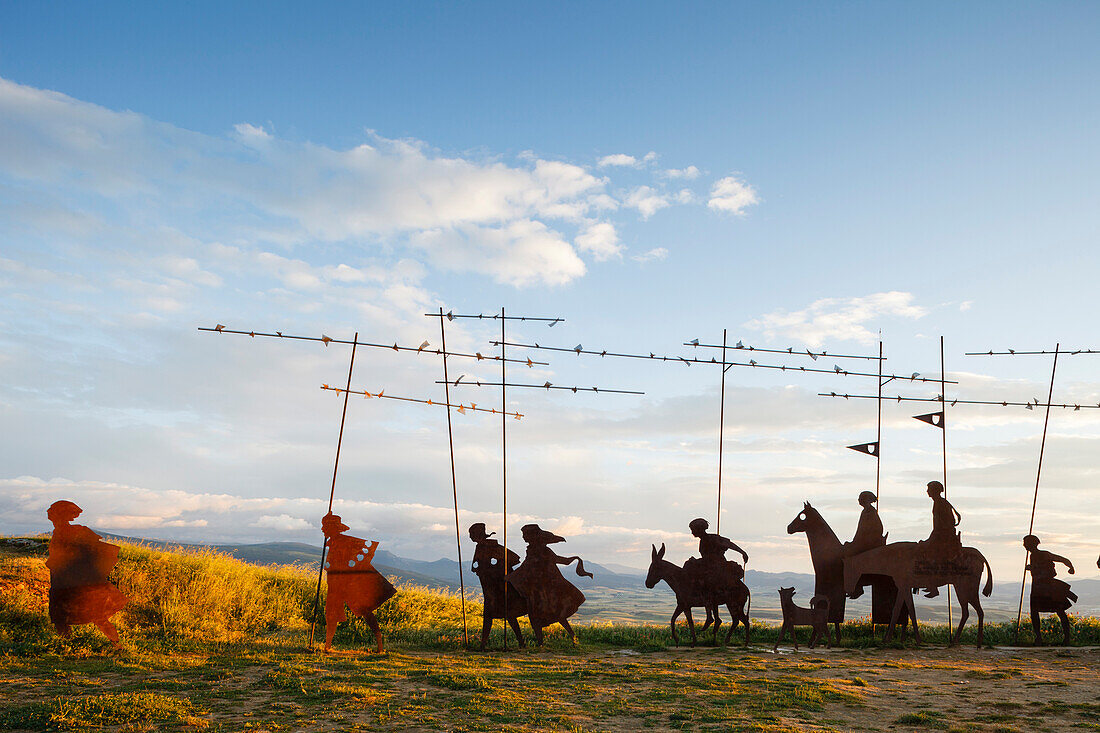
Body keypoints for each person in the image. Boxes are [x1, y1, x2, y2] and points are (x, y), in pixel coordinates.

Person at [45, 500, 129, 648]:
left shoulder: (76, 531)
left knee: (96, 615)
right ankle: (67, 646)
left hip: (76, 581)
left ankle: (117, 645)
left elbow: (93, 550)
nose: (51, 518)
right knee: (60, 617)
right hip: (62, 581)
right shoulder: (60, 532)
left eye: (53, 515)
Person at [321, 512, 396, 653]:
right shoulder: (332, 543)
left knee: (365, 611)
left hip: (347, 582)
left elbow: (368, 548)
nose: (323, 530)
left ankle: (380, 647)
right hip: (335, 583)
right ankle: (327, 646)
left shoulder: (345, 541)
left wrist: (351, 566)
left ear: (333, 528)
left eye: (325, 527)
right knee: (331, 613)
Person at [506, 524, 592, 645]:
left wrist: (510, 577)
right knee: (550, 615)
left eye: (525, 534)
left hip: (542, 589)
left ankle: (547, 641)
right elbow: (527, 566)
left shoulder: (541, 551)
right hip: (538, 587)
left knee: (540, 614)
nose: (523, 537)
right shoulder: (533, 550)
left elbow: (527, 566)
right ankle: (545, 641)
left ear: (532, 536)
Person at [469, 523, 527, 649]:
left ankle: (520, 642)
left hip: (499, 587)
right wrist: (480, 569)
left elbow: (514, 558)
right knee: (490, 615)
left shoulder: (492, 546)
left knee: (507, 614)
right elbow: (475, 565)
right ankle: (483, 644)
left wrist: (495, 568)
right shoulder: (480, 547)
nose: (470, 537)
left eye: (472, 534)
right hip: (489, 587)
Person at [1024, 535, 1076, 645]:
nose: (1023, 545)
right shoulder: (1033, 556)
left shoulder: (1044, 554)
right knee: (1039, 611)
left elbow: (1062, 560)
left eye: (1025, 542)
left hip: (1046, 587)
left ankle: (1064, 638)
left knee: (1059, 611)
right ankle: (1039, 638)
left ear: (1031, 544)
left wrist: (1071, 567)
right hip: (1039, 587)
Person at [920, 481, 962, 598]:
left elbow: (940, 526)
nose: (927, 491)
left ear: (934, 491)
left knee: (927, 554)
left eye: (929, 489)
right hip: (942, 535)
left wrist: (930, 540)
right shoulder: (940, 502)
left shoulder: (940, 503)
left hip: (944, 537)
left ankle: (933, 586)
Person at [844, 491, 886, 557]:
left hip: (868, 541)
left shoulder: (871, 512)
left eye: (860, 498)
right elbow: (859, 530)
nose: (859, 500)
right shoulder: (865, 512)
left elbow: (878, 528)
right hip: (862, 539)